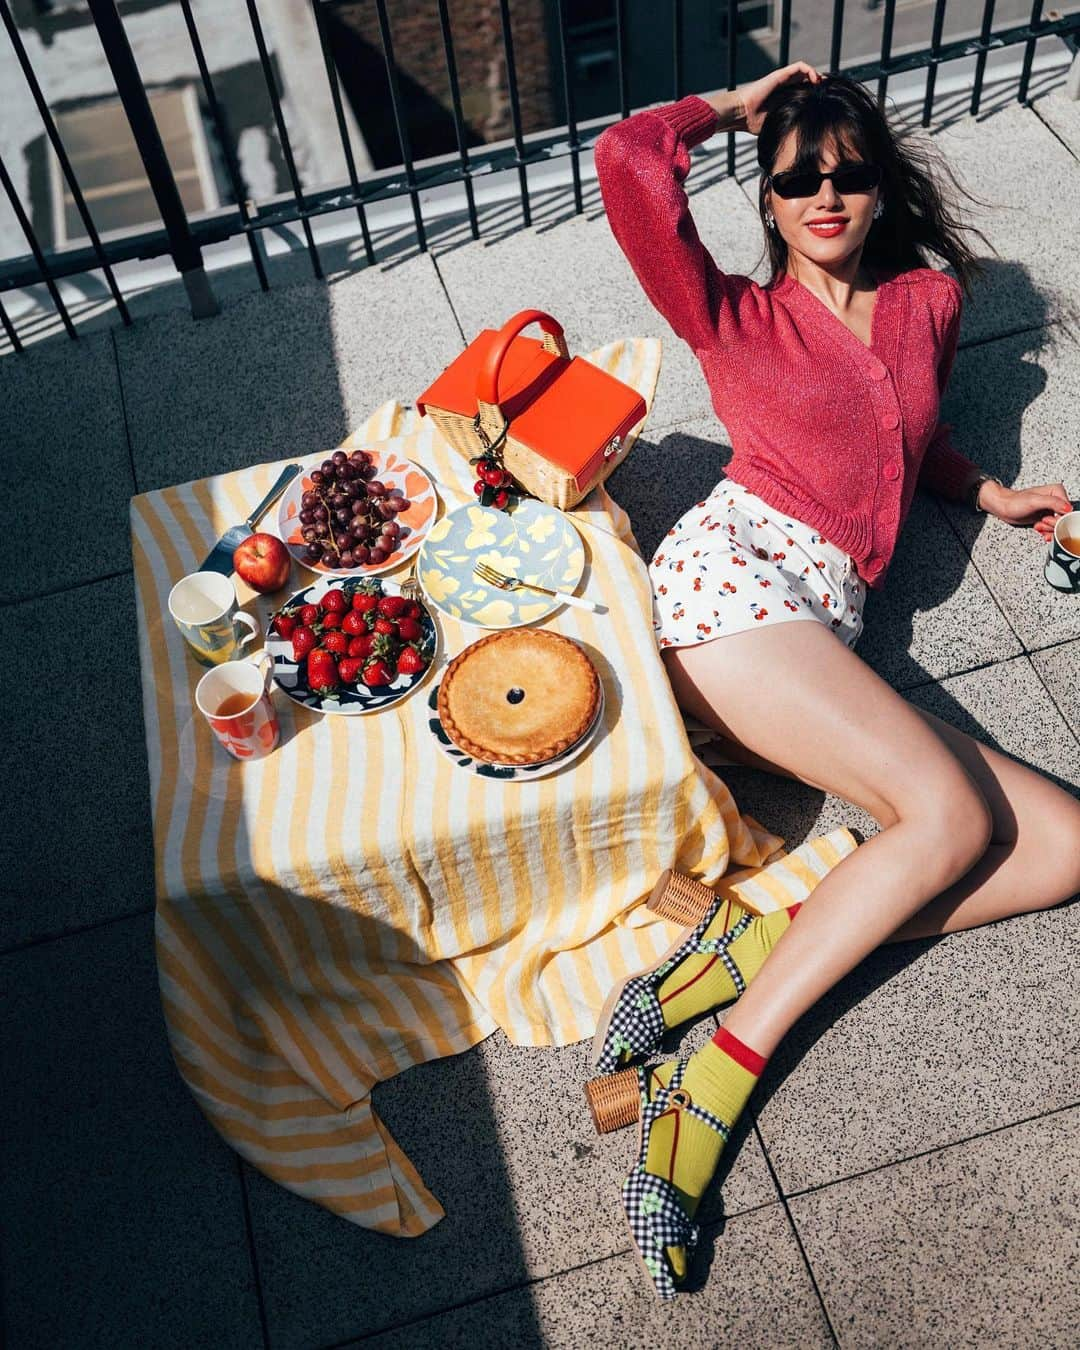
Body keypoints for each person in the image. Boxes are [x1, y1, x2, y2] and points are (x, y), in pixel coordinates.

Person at [587, 63, 1080, 1299]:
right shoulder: (728, 316)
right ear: (764, 194)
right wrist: (737, 102)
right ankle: (713, 1082)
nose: (823, 192)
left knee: (1068, 845)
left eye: (847, 173)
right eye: (796, 176)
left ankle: (740, 954)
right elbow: (625, 163)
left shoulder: (930, 302)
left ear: (878, 188)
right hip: (736, 584)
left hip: (827, 618)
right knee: (955, 818)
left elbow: (910, 435)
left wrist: (993, 495)